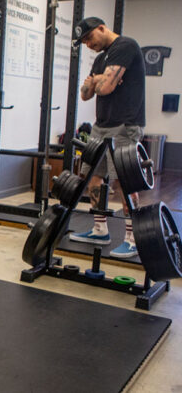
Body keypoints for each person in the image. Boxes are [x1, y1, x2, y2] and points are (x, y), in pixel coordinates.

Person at [69, 17, 146, 259]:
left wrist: (98, 81)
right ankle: (100, 229)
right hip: (100, 127)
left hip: (125, 125)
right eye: (84, 42)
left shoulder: (125, 46)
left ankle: (133, 239)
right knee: (91, 176)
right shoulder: (101, 59)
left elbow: (104, 89)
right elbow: (85, 94)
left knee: (125, 181)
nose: (88, 44)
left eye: (90, 38)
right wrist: (98, 80)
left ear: (102, 28)